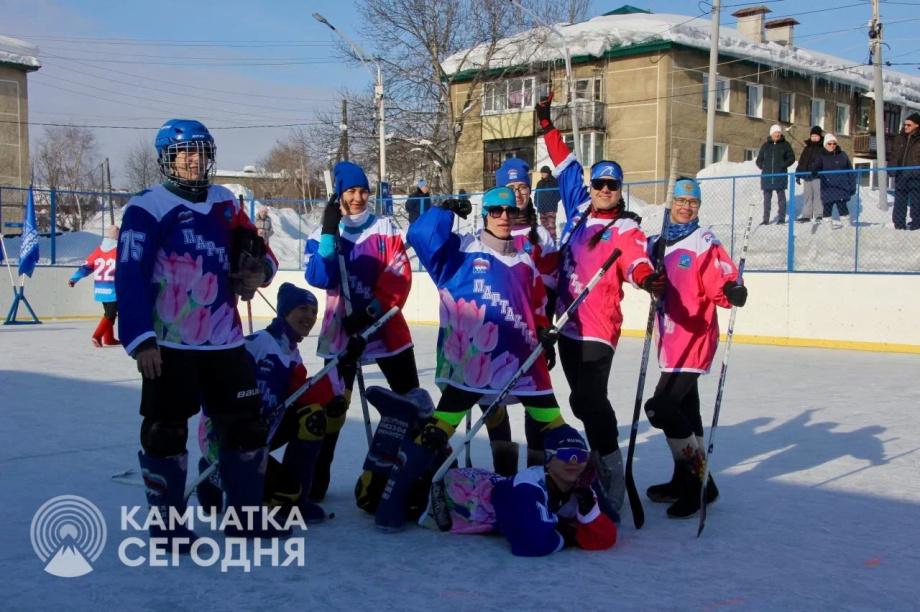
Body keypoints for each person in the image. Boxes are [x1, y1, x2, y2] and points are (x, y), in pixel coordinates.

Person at [116, 118, 287, 547]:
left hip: (225, 340)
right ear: (167, 160)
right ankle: (168, 528)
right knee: (165, 430)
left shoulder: (225, 202)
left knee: (247, 427)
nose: (194, 161)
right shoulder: (147, 205)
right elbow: (129, 273)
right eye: (184, 153)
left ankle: (244, 518)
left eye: (201, 152)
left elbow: (260, 253)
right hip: (170, 343)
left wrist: (256, 272)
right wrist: (140, 339)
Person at [374, 186, 566, 534]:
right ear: (485, 213)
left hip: (523, 365)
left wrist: (543, 332)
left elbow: (536, 303)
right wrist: (444, 210)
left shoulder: (525, 258)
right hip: (471, 366)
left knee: (558, 430)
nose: (504, 216)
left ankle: (573, 498)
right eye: (495, 210)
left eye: (510, 210)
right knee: (435, 434)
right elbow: (419, 234)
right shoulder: (460, 250)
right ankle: (393, 499)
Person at [535, 93, 665, 515]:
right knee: (578, 400)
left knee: (590, 399)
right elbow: (566, 164)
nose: (604, 191)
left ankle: (608, 465)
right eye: (599, 184)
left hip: (597, 329)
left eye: (612, 186)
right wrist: (546, 124)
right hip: (566, 325)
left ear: (619, 190)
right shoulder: (576, 210)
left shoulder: (626, 228)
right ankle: (597, 456)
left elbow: (637, 260)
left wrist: (647, 278)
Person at [304, 160, 419, 501]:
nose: (358, 198)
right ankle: (316, 479)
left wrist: (371, 311)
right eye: (351, 191)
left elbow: (399, 274)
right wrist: (328, 233)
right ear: (338, 193)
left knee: (411, 400)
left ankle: (416, 472)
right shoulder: (324, 232)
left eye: (363, 191)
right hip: (342, 329)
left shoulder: (383, 227)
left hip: (383, 328)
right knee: (332, 408)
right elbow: (320, 278)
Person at [197, 283, 353, 523]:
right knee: (274, 492)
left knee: (312, 418)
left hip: (261, 433)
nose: (310, 316)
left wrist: (335, 393)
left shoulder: (292, 353)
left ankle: (295, 503)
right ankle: (214, 472)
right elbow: (215, 383)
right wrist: (230, 425)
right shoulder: (258, 343)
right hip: (227, 437)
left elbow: (303, 393)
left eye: (314, 311)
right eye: (303, 308)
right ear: (286, 311)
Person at [644, 178, 748, 519]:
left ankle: (695, 481)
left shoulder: (703, 240)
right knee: (687, 411)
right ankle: (692, 481)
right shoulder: (658, 241)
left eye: (693, 202)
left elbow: (722, 275)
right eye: (681, 200)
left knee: (661, 407)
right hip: (669, 339)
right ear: (670, 202)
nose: (686, 207)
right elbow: (637, 266)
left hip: (695, 336)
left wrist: (732, 290)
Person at [429, 425, 617, 557]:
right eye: (566, 454)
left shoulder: (580, 489)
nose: (574, 461)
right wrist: (571, 534)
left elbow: (606, 538)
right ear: (549, 460)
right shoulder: (527, 486)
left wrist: (588, 511)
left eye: (581, 455)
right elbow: (530, 544)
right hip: (454, 494)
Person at [483, 158, 560, 472]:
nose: (517, 195)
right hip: (498, 329)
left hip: (531, 332)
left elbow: (551, 286)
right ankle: (504, 468)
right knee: (491, 400)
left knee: (535, 400)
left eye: (523, 187)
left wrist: (547, 332)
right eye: (511, 188)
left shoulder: (540, 234)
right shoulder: (488, 230)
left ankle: (535, 470)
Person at [69, 224, 121, 347]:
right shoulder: (119, 251)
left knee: (108, 312)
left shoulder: (99, 250)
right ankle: (97, 336)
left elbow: (86, 266)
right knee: (110, 314)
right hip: (113, 289)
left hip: (101, 288)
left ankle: (109, 339)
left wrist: (74, 279)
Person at [811, 134, 857, 227]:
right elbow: (815, 168)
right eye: (829, 144)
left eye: (834, 143)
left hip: (841, 186)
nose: (832, 145)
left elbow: (850, 171)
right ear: (825, 145)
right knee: (827, 208)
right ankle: (828, 230)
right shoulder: (821, 156)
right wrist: (814, 172)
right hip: (828, 187)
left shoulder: (842, 155)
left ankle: (847, 229)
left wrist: (852, 186)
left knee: (842, 207)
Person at [755, 124, 796, 225]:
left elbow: (791, 157)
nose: (777, 134)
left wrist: (783, 165)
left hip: (780, 175)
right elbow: (758, 160)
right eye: (775, 132)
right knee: (767, 199)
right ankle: (766, 219)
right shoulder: (765, 146)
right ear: (771, 134)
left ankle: (781, 218)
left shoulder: (785, 145)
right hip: (767, 177)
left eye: (779, 132)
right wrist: (762, 166)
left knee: (781, 197)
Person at [889, 112, 920, 230]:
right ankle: (899, 225)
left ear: (917, 125)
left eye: (909, 125)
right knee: (899, 202)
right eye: (905, 124)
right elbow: (894, 155)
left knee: (917, 202)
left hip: (916, 175)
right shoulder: (900, 137)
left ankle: (916, 224)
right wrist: (892, 168)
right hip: (901, 174)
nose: (905, 127)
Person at [795, 126, 825, 223]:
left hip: (818, 176)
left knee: (818, 195)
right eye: (812, 136)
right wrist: (798, 174)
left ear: (820, 136)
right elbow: (802, 162)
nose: (814, 138)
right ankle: (806, 215)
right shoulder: (807, 148)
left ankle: (819, 215)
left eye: (816, 136)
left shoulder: (823, 148)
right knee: (807, 196)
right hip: (807, 176)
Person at [535, 165, 561, 240]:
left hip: (551, 208)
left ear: (548, 173)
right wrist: (536, 202)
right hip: (541, 208)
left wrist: (554, 201)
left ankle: (553, 241)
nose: (542, 174)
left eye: (544, 173)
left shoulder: (554, 182)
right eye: (541, 173)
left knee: (551, 226)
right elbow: (536, 194)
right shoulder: (539, 183)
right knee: (543, 227)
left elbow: (559, 193)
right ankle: (545, 242)